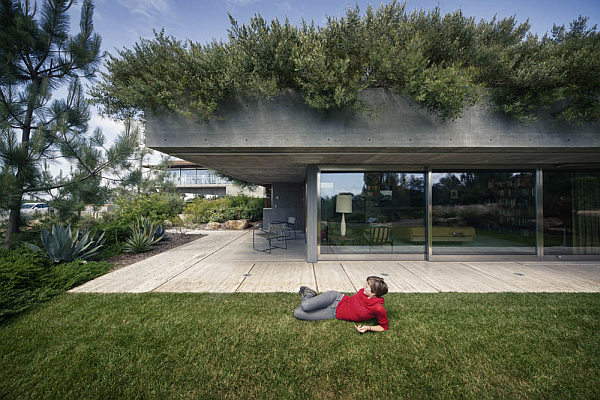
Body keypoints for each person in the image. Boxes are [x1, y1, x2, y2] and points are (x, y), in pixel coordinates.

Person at [293, 276, 389, 333]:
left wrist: (368, 328)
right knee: (305, 306)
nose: (364, 286)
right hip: (336, 298)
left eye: (367, 286)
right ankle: (309, 293)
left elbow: (383, 327)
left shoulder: (378, 308)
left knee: (297, 312)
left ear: (374, 293)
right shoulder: (363, 292)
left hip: (333, 313)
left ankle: (310, 295)